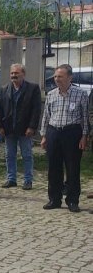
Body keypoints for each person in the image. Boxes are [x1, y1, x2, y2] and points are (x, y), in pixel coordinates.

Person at [41, 64, 89, 212]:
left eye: (60, 76)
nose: (57, 79)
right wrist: (44, 135)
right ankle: (54, 199)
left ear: (69, 77)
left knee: (72, 167)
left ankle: (73, 200)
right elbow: (46, 116)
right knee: (54, 168)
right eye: (55, 76)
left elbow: (85, 117)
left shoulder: (80, 94)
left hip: (72, 133)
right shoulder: (51, 94)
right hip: (54, 132)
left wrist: (84, 136)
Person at [0, 63, 42, 190]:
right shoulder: (5, 88)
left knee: (27, 155)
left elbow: (36, 109)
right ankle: (11, 179)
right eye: (12, 73)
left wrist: (32, 127)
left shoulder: (33, 88)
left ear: (23, 74)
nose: (13, 75)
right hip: (9, 128)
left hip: (25, 128)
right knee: (9, 154)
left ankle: (28, 180)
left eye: (16, 73)